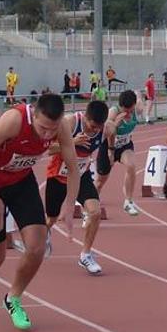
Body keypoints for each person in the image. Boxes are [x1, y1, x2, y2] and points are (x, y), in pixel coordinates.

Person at [0, 94, 80, 330]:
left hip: (21, 183)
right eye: (42, 128)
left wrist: (70, 203)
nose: (48, 135)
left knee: (37, 246)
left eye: (52, 130)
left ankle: (13, 298)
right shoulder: (14, 120)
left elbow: (72, 165)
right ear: (34, 114)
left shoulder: (60, 127)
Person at [44, 100, 109, 275]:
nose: (95, 130)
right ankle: (46, 234)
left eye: (99, 127)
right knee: (51, 219)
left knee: (95, 212)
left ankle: (85, 255)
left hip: (81, 176)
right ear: (85, 117)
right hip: (58, 175)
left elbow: (110, 142)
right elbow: (49, 149)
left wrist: (109, 154)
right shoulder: (69, 122)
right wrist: (72, 142)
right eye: (92, 126)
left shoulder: (106, 128)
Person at [95, 90, 142, 216]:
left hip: (125, 145)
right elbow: (106, 132)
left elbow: (139, 98)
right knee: (100, 181)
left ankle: (128, 201)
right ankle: (89, 207)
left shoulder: (137, 108)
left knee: (131, 165)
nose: (127, 113)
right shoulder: (113, 112)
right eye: (124, 110)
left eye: (130, 110)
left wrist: (138, 94)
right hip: (108, 146)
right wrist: (115, 124)